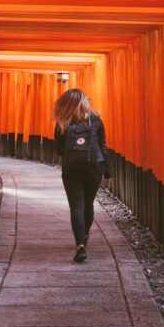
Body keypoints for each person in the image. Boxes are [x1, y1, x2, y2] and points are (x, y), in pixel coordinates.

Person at [52, 88, 111, 262]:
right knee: (88, 203)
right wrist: (108, 170)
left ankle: (80, 246)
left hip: (72, 169)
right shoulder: (96, 120)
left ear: (65, 104)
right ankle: (85, 236)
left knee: (76, 206)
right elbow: (103, 146)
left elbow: (58, 150)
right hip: (94, 167)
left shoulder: (63, 122)